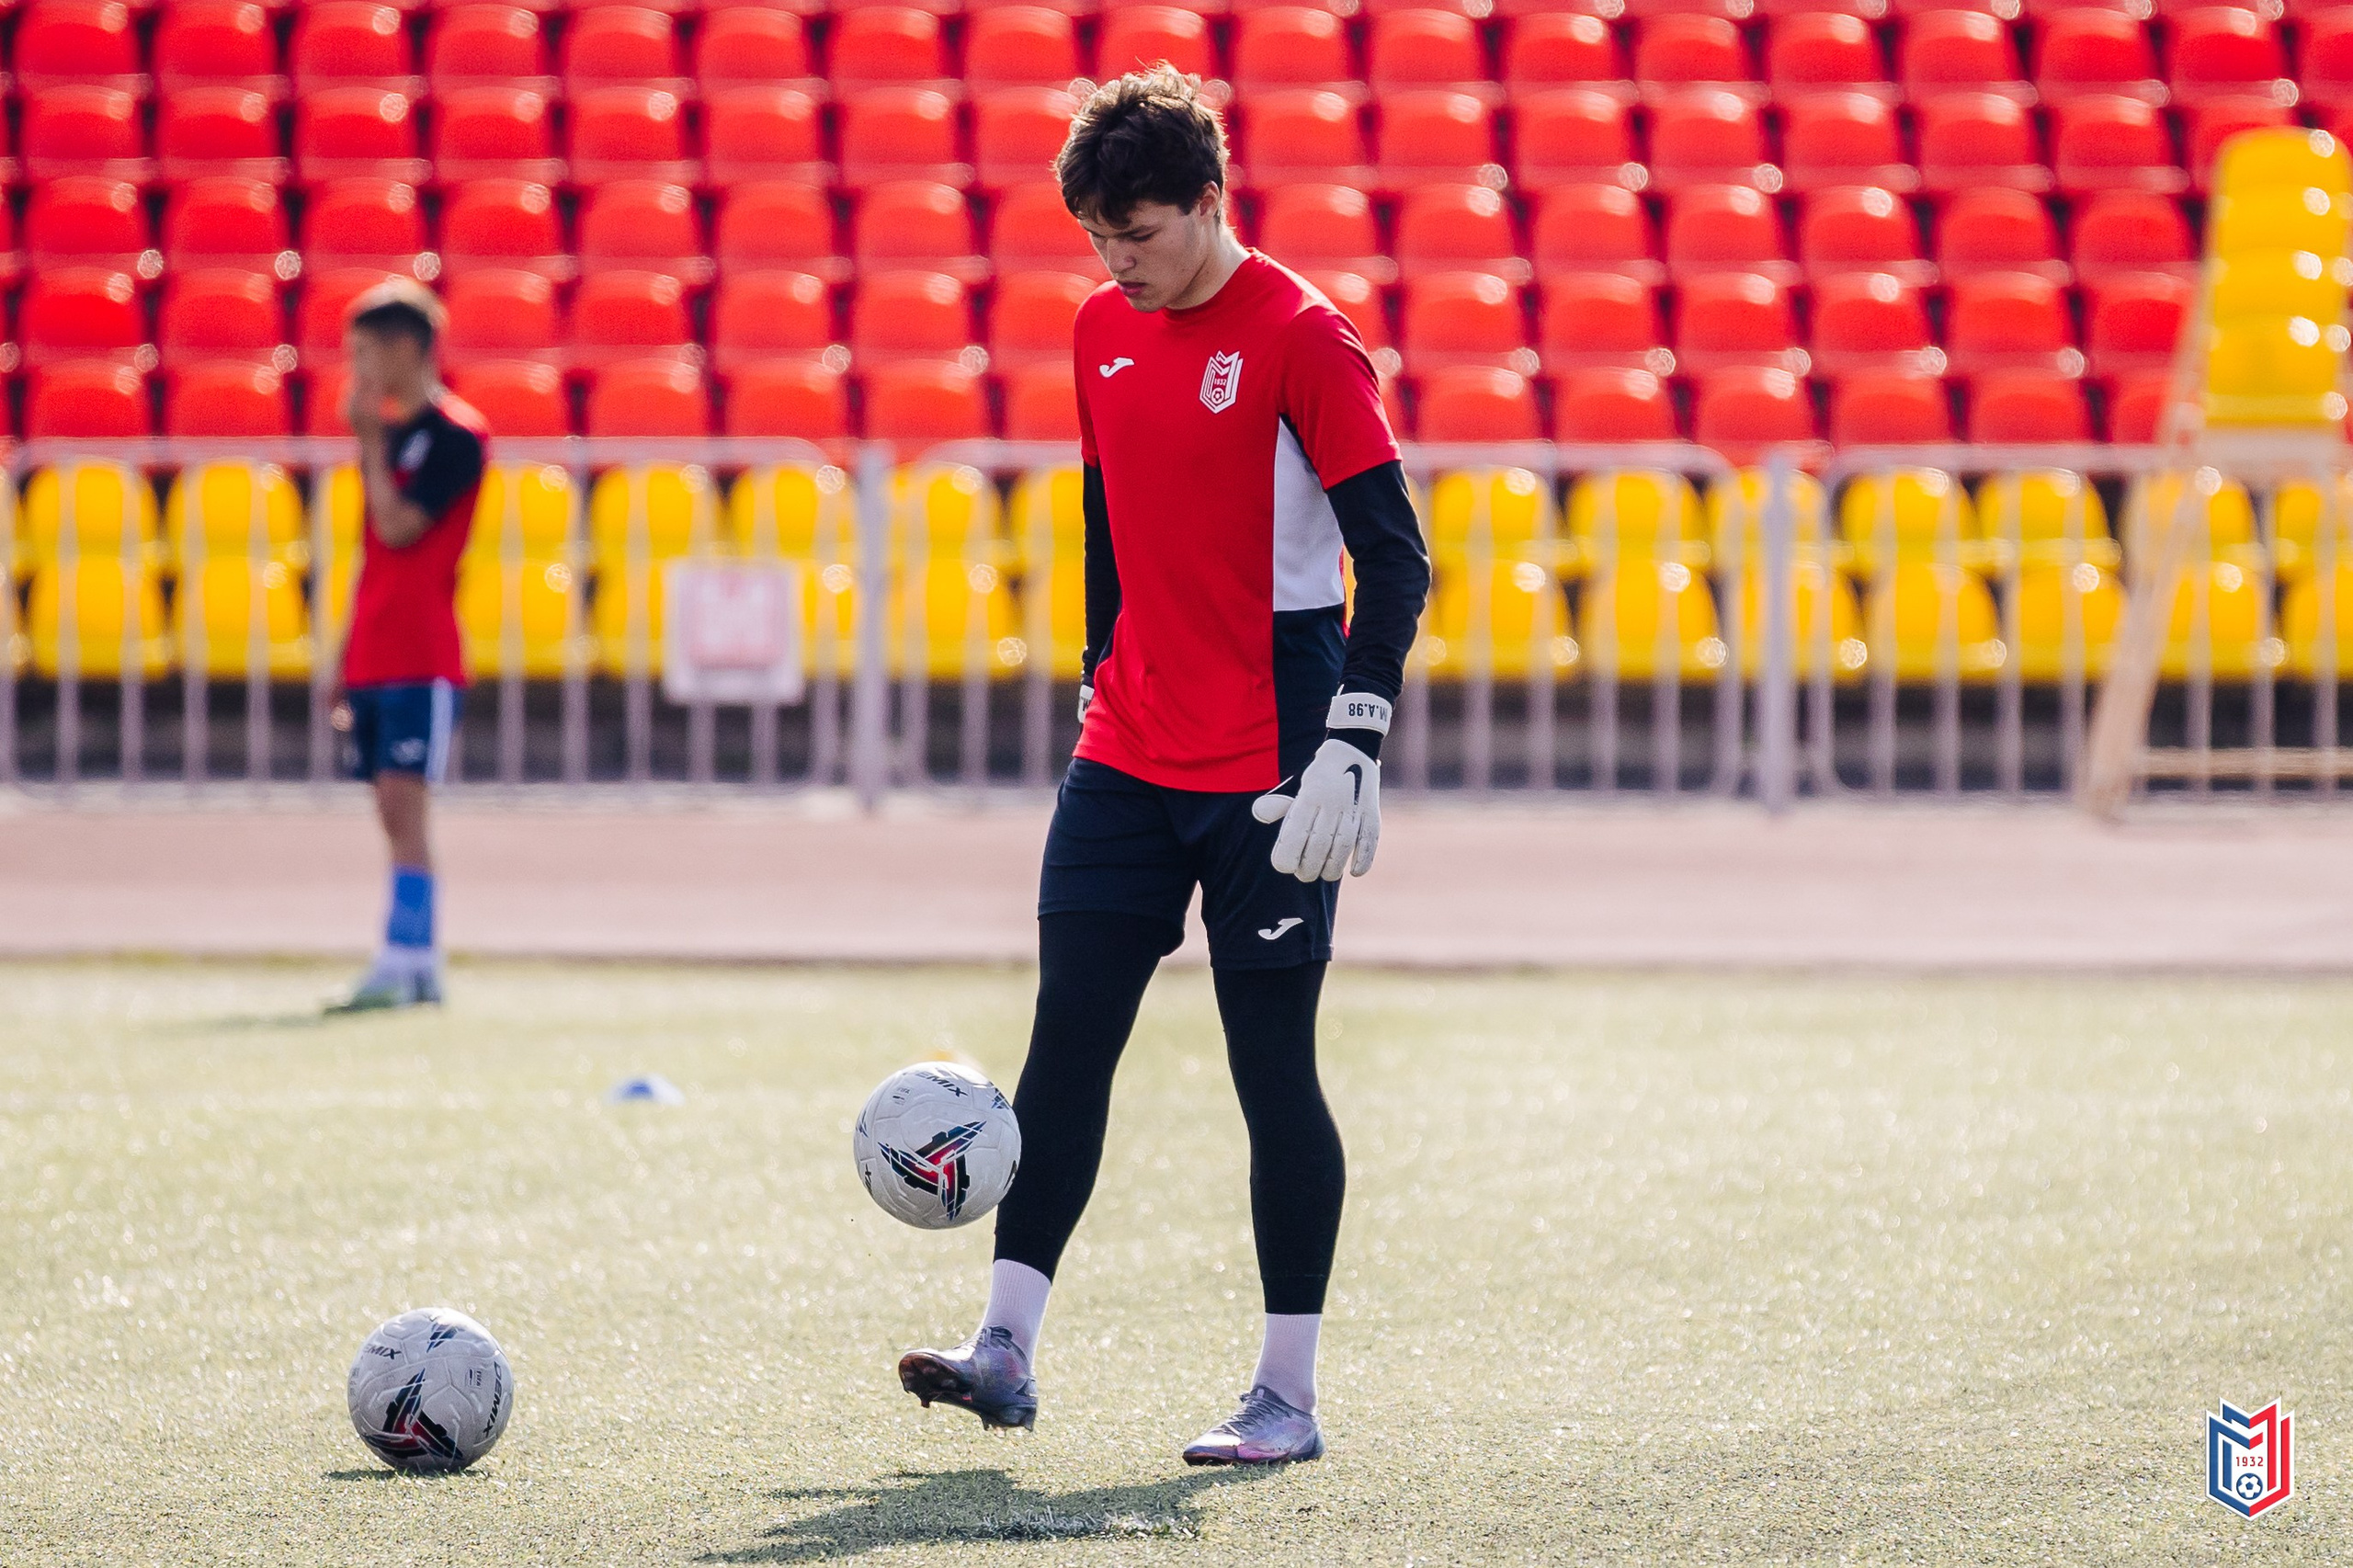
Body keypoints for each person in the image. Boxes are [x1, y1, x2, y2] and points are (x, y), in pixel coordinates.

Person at [895, 67, 1430, 1465]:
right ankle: (1005, 1347)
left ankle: (1288, 1395)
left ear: (1208, 202)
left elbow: (1397, 556)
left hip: (1270, 760)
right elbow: (1106, 515)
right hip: (1126, 749)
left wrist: (1354, 740)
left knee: (1271, 1069)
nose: (1115, 262)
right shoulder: (1100, 329)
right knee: (1066, 1036)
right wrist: (1094, 666)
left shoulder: (1308, 340)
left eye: (1137, 233)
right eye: (1096, 240)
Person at [324, 279, 490, 1013]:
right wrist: (343, 653)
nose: (358, 367)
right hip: (376, 651)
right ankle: (413, 959)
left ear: (405, 347)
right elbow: (372, 556)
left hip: (422, 655)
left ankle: (408, 958)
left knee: (405, 804)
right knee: (391, 813)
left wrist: (366, 442)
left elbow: (399, 530)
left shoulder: (457, 437)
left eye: (365, 350)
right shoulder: (393, 440)